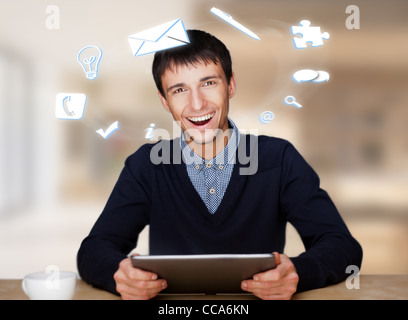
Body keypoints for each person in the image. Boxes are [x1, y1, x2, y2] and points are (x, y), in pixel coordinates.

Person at [77, 29, 362, 300]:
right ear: (164, 101)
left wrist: (298, 273)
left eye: (208, 83)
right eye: (179, 90)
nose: (197, 104)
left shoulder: (279, 159)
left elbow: (342, 246)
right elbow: (94, 250)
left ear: (231, 85)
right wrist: (119, 274)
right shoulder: (146, 166)